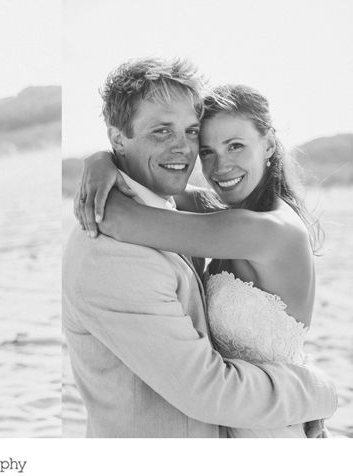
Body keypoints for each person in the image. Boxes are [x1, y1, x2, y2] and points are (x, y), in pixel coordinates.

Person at [61, 57, 337, 437]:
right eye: (207, 150)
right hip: (246, 416)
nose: (218, 166)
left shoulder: (262, 229)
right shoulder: (225, 212)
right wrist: (103, 160)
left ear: (269, 144)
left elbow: (119, 218)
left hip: (266, 423)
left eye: (235, 145)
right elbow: (165, 197)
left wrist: (316, 391)